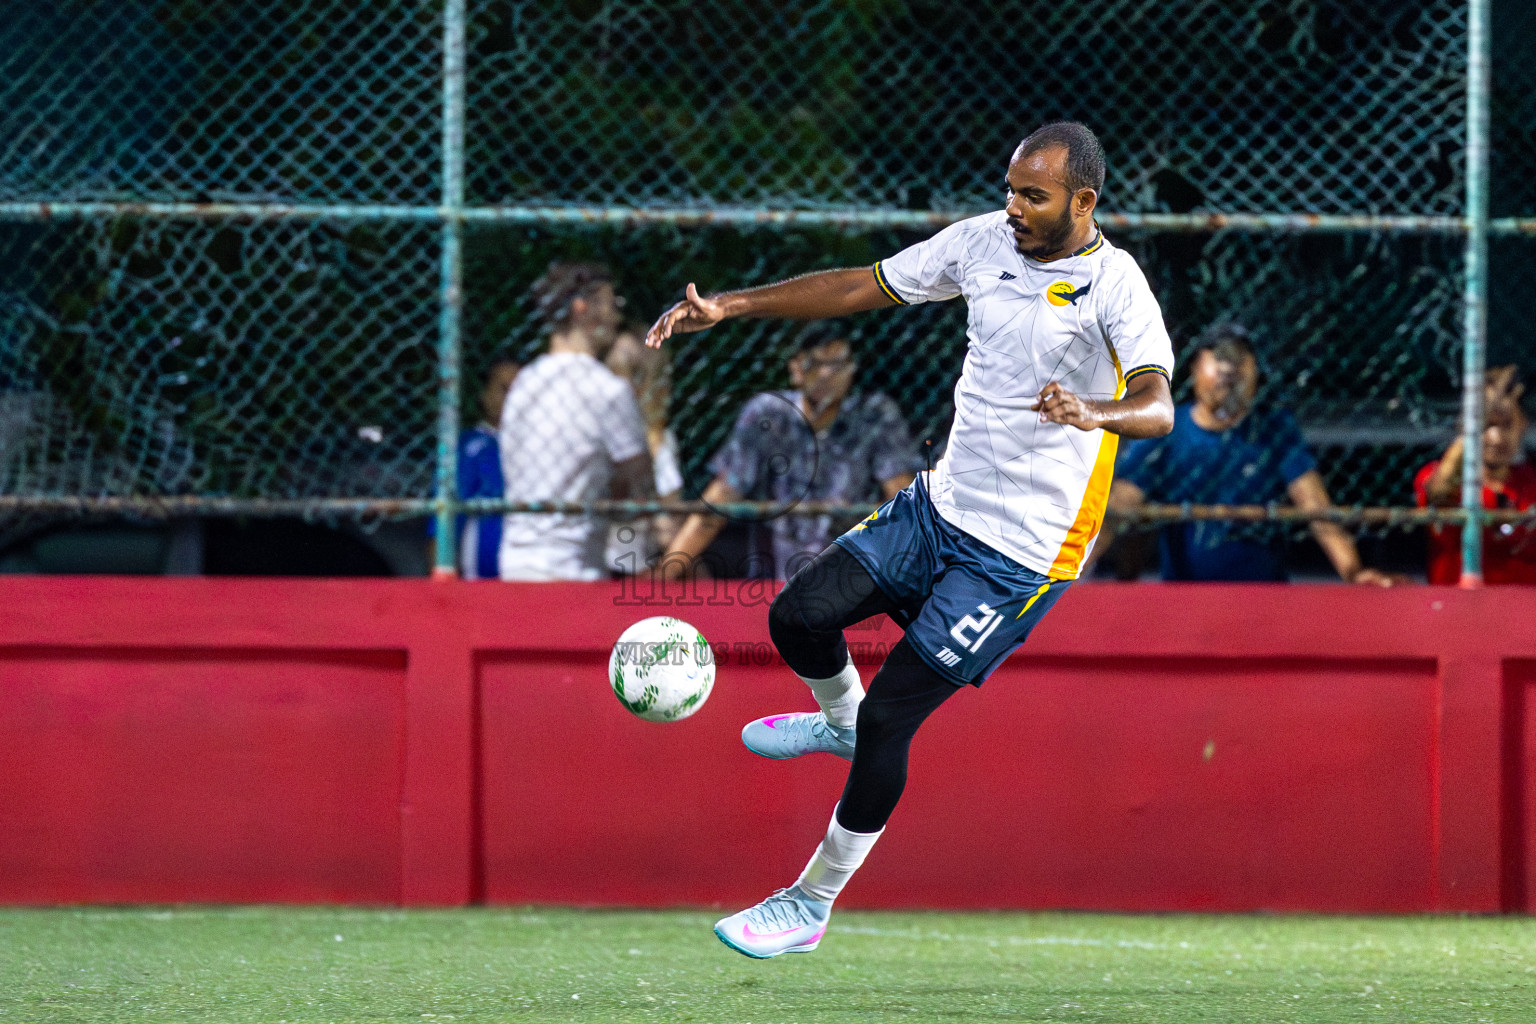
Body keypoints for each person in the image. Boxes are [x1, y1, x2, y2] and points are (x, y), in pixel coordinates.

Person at [647, 122, 1176, 958]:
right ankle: (838, 720)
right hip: (938, 509)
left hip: (1022, 557)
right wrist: (732, 307)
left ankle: (809, 902)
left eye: (1032, 196)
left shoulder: (1116, 287)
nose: (1013, 208)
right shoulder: (980, 245)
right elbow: (862, 286)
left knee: (895, 717)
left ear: (1084, 201)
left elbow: (1156, 405)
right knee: (798, 617)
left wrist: (1092, 411)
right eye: (1009, 189)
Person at [1103, 325, 1398, 585]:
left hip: (1262, 597)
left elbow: (1316, 508)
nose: (1229, 370)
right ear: (1195, 368)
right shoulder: (1167, 431)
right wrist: (1076, 573)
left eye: (1241, 359)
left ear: (1256, 372)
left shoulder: (1273, 430)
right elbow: (1120, 504)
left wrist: (1353, 571)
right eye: (1219, 357)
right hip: (1185, 598)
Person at [662, 321, 920, 581]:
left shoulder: (874, 417)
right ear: (796, 368)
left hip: (850, 579)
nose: (826, 374)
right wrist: (667, 573)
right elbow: (720, 499)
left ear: (852, 369)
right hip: (773, 581)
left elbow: (901, 501)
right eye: (815, 364)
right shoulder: (768, 415)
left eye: (837, 365)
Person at [498, 262, 654, 581]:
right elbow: (639, 484)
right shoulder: (607, 389)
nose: (617, 317)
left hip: (514, 561)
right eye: (612, 305)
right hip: (573, 568)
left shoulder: (524, 383)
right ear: (582, 309)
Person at [1415, 365, 1536, 584]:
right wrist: (1471, 427)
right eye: (1486, 425)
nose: (1496, 438)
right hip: (1461, 612)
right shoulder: (1444, 478)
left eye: (1507, 425)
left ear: (1523, 425)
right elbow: (1438, 492)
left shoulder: (1530, 483)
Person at [603, 326, 684, 574]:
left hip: (638, 566)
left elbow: (669, 522)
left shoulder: (660, 439)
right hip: (601, 564)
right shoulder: (599, 431)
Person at [451, 358, 519, 580]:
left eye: (517, 390)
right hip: (479, 578)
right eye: (503, 389)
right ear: (484, 395)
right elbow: (446, 519)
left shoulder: (535, 446)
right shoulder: (471, 446)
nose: (511, 398)